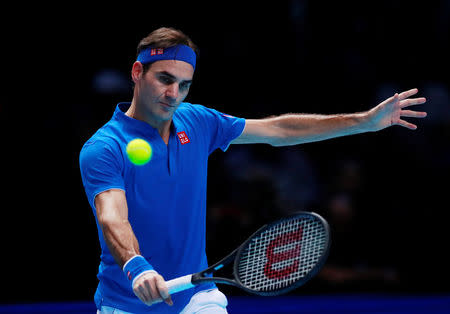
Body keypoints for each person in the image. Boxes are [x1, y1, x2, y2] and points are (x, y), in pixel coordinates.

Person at [79, 27, 427, 313]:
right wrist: (136, 266)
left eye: (184, 85)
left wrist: (364, 122)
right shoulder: (104, 148)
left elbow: (279, 130)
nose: (174, 94)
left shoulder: (198, 121)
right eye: (165, 79)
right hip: (126, 302)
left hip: (196, 298)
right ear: (138, 73)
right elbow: (113, 217)